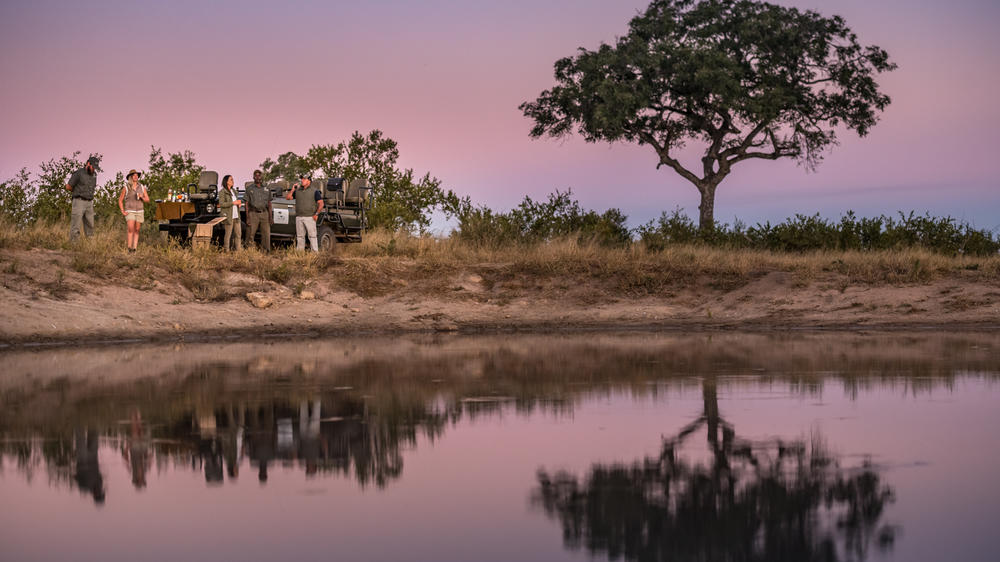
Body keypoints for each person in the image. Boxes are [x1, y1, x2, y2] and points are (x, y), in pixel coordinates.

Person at [285, 174, 324, 252]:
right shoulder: (298, 191)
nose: (302, 180)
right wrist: (292, 189)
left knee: (312, 236)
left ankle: (315, 254)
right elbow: (288, 198)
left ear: (309, 180)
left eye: (304, 179)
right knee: (300, 237)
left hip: (310, 217)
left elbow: (321, 203)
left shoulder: (315, 191)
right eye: (301, 179)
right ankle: (300, 254)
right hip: (299, 217)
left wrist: (316, 214)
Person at [65, 156, 100, 241]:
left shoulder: (94, 175)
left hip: (89, 203)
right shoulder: (79, 173)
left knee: (90, 224)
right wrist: (77, 192)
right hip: (79, 201)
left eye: (95, 168)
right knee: (76, 224)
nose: (93, 169)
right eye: (93, 167)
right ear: (88, 164)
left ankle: (90, 246)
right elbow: (68, 186)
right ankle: (74, 245)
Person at [118, 169, 149, 252]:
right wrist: (122, 210)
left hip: (139, 211)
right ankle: (129, 248)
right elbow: (120, 200)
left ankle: (134, 249)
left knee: (137, 230)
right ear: (130, 177)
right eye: (134, 175)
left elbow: (147, 199)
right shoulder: (126, 187)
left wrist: (142, 196)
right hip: (130, 211)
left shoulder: (141, 187)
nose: (136, 176)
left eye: (137, 175)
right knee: (131, 229)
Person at [245, 170, 272, 252]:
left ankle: (266, 251)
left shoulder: (267, 188)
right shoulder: (249, 189)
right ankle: (248, 250)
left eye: (259, 175)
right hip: (253, 213)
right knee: (250, 233)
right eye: (256, 176)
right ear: (253, 177)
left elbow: (269, 203)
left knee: (266, 234)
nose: (258, 177)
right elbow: (246, 203)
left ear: (262, 177)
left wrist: (270, 217)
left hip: (264, 213)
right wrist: (248, 217)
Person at [218, 174, 243, 251]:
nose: (233, 181)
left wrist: (238, 204)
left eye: (233, 179)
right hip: (228, 216)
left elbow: (235, 202)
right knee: (228, 235)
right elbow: (221, 204)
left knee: (238, 234)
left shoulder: (234, 191)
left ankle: (238, 251)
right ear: (226, 182)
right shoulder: (222, 192)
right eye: (231, 180)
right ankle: (226, 251)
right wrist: (233, 203)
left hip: (236, 216)